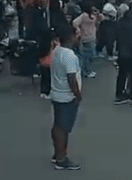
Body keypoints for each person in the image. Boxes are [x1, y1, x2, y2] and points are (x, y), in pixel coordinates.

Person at [49, 24, 82, 170]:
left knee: (58, 126)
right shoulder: (69, 55)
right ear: (71, 37)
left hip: (57, 93)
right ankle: (62, 159)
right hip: (67, 96)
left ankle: (58, 153)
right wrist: (78, 95)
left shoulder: (56, 51)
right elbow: (71, 79)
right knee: (63, 128)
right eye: (77, 34)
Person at [72, 4, 104, 78]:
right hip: (89, 37)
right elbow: (75, 23)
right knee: (89, 56)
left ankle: (85, 70)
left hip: (87, 37)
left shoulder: (88, 16)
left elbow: (75, 23)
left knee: (86, 55)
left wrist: (78, 30)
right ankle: (87, 71)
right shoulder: (86, 16)